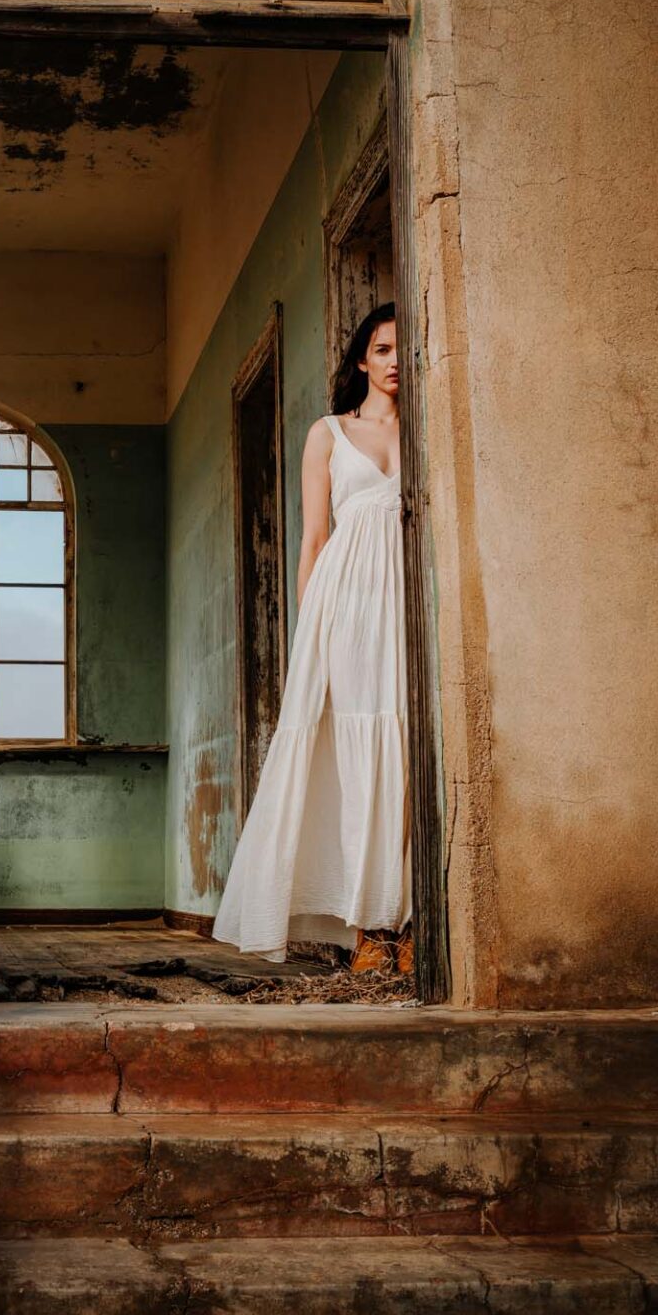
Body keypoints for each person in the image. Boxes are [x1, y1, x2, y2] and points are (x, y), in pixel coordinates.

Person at [213, 302, 412, 973]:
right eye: (382, 349)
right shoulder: (328, 433)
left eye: (403, 349)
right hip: (346, 605)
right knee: (351, 752)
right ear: (362, 358)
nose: (394, 362)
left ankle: (404, 922)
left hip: (407, 602)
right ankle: (369, 933)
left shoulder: (427, 430)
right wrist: (308, 633)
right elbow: (315, 539)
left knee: (407, 749)